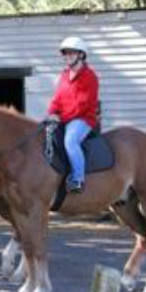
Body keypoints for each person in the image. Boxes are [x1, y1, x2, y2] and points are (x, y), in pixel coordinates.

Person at [46, 36, 99, 194]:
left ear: (81, 55)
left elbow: (83, 104)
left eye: (71, 53)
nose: (67, 56)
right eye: (65, 53)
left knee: (70, 141)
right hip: (65, 118)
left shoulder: (90, 77)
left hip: (82, 119)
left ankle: (78, 179)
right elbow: (57, 98)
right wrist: (52, 113)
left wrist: (61, 118)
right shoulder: (63, 76)